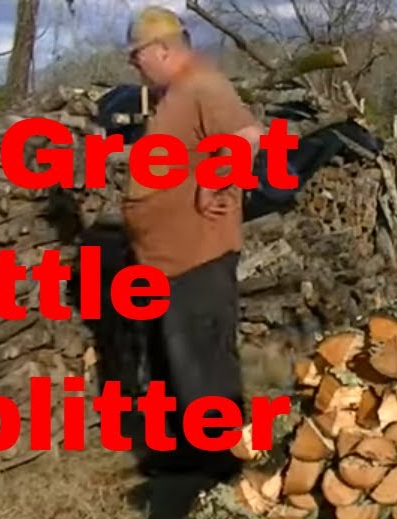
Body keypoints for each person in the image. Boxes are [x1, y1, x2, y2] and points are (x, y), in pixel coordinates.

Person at [120, 6, 264, 479]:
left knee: (204, 362)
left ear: (163, 49)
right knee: (174, 363)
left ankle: (221, 469)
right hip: (167, 259)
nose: (132, 64)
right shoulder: (174, 93)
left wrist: (214, 177)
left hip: (198, 255)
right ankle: (184, 458)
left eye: (137, 54)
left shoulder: (205, 84)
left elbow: (247, 136)